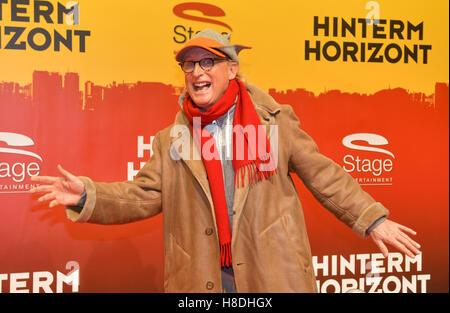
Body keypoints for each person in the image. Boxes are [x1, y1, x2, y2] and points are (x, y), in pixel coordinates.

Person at [30, 28, 421, 293]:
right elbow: (143, 194)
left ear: (232, 70)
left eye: (207, 62)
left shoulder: (275, 122)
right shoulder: (173, 138)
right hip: (203, 279)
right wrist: (87, 196)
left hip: (270, 273)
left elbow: (325, 175)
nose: (196, 72)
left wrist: (371, 219)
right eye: (189, 64)